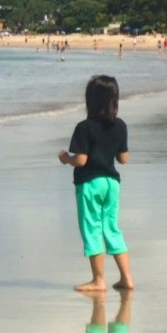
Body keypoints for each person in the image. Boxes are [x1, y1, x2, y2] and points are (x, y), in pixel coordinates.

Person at [58, 75, 135, 292]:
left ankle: (98, 280)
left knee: (91, 228)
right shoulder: (120, 125)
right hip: (112, 183)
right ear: (115, 100)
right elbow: (124, 159)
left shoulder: (84, 127)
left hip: (90, 184)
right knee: (111, 228)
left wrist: (66, 159)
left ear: (89, 101)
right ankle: (127, 278)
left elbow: (81, 160)